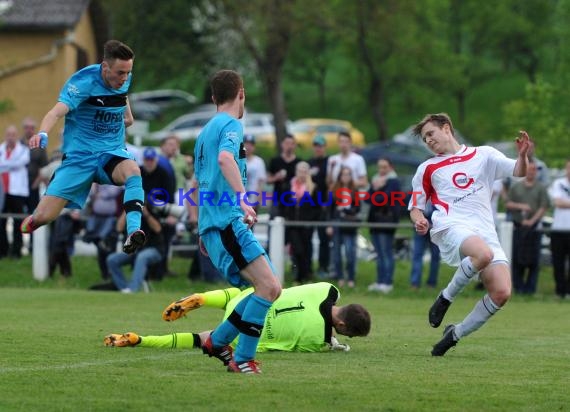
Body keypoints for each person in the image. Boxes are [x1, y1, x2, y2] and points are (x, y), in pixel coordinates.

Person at [409, 113, 532, 356]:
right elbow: (415, 207)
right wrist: (420, 219)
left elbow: (518, 171)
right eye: (425, 139)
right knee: (482, 254)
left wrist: (522, 155)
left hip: (485, 229)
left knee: (502, 293)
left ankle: (455, 334)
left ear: (446, 128)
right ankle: (445, 298)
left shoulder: (484, 155)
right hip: (451, 225)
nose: (429, 141)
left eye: (431, 134)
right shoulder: (427, 168)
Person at [189, 69, 282, 374]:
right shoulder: (231, 124)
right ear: (241, 93)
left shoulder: (204, 132)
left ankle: (217, 342)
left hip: (215, 222)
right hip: (227, 220)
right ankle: (242, 358)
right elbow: (225, 160)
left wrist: (204, 227)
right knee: (268, 287)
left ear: (214, 97)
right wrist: (242, 198)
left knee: (264, 288)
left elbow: (201, 181)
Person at [20, 40, 146, 256]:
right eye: (120, 73)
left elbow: (122, 98)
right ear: (105, 67)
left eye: (128, 72)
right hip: (79, 158)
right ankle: (33, 220)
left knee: (133, 171)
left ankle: (133, 231)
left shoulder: (123, 79)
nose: (125, 78)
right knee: (44, 217)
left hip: (110, 153)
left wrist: (127, 118)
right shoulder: (82, 83)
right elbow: (56, 112)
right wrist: (43, 132)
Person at [104, 282, 371, 353]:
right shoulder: (318, 341)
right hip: (246, 332)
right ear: (342, 327)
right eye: (346, 334)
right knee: (202, 340)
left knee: (240, 293)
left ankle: (205, 298)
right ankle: (142, 340)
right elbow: (305, 342)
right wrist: (333, 343)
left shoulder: (327, 289)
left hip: (251, 301)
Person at [505, 161, 549, 295]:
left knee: (533, 259)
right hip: (519, 227)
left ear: (536, 172)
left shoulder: (541, 188)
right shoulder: (516, 187)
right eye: (529, 170)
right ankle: (518, 288)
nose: (531, 172)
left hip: (534, 228)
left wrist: (532, 220)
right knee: (518, 257)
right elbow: (508, 204)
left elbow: (544, 206)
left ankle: (530, 289)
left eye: (533, 170)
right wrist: (521, 207)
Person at [106, 208, 165, 293]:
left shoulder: (152, 209)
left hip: (155, 249)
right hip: (135, 250)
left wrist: (146, 214)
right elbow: (119, 228)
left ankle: (133, 289)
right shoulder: (130, 213)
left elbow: (158, 229)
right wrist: (127, 209)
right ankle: (124, 288)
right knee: (112, 259)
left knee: (142, 257)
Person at [367, 158, 402, 293]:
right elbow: (367, 198)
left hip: (386, 222)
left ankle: (387, 283)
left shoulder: (393, 181)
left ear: (390, 167)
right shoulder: (376, 179)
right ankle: (380, 281)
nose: (381, 170)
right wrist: (375, 189)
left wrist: (377, 189)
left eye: (384, 167)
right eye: (379, 167)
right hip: (375, 222)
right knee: (379, 254)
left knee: (386, 253)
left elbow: (381, 200)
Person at [285, 161, 320, 284]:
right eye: (300, 171)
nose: (302, 174)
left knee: (306, 249)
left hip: (307, 225)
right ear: (296, 171)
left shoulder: (313, 187)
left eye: (305, 171)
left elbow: (317, 207)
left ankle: (307, 275)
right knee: (297, 250)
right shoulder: (289, 186)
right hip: (293, 224)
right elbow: (283, 204)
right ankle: (297, 276)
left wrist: (311, 219)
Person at [0, 125, 30, 259]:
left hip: (17, 192)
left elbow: (20, 163)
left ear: (16, 136)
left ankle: (17, 251)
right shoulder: (1, 149)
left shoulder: (23, 150)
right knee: (2, 222)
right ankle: (3, 250)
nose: (10, 137)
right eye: (8, 134)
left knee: (18, 222)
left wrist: (5, 164)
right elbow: (12, 164)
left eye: (13, 135)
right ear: (5, 135)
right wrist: (9, 164)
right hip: (2, 191)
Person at [328, 166, 360, 288]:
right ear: (340, 176)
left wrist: (347, 210)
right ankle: (340, 277)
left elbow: (358, 208)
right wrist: (329, 225)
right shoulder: (334, 190)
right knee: (336, 253)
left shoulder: (354, 190)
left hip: (349, 224)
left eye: (348, 174)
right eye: (343, 174)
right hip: (336, 223)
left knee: (350, 252)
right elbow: (329, 210)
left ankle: (351, 278)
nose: (345, 177)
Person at [307, 135, 331, 278]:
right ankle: (308, 268)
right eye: (316, 146)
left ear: (325, 147)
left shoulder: (330, 162)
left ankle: (323, 267)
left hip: (324, 205)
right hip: (310, 206)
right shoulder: (309, 163)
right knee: (308, 238)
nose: (318, 148)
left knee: (324, 239)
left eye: (320, 146)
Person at [548, 159, 570, 299]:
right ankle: (559, 291)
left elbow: (563, 202)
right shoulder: (558, 183)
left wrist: (565, 202)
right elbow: (557, 202)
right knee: (558, 262)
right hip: (558, 230)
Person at [408, 201, 441, 289]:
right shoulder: (419, 189)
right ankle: (415, 283)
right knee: (417, 254)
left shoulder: (439, 190)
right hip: (420, 226)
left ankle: (431, 283)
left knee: (435, 256)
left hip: (436, 228)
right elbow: (411, 205)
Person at [267, 133, 300, 218]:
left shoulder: (298, 162)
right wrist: (276, 177)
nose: (289, 146)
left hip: (293, 198)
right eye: (287, 143)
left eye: (292, 144)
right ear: (282, 145)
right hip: (278, 198)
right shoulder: (275, 161)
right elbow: (268, 180)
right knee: (274, 222)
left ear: (295, 146)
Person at [243, 134, 267, 213]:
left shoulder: (259, 161)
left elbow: (261, 182)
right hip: (238, 199)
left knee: (250, 223)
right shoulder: (237, 160)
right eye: (246, 144)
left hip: (253, 198)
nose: (248, 147)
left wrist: (258, 200)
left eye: (251, 145)